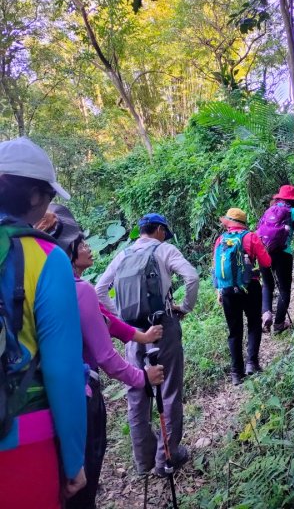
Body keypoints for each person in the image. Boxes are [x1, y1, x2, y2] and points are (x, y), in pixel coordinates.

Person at [37, 205, 165, 509]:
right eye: (81, 243)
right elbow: (106, 357)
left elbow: (106, 319)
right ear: (67, 248)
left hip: (41, 402)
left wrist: (141, 336)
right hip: (81, 398)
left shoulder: (40, 284)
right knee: (83, 487)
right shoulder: (78, 290)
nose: (87, 247)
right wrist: (141, 377)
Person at [0, 137, 87, 509]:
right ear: (35, 196)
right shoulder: (45, 257)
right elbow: (62, 370)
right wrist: (74, 462)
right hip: (21, 436)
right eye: (50, 195)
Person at [96, 213, 199, 478]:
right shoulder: (165, 249)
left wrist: (121, 320)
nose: (165, 235)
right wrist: (184, 307)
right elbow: (191, 277)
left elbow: (99, 289)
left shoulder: (123, 254)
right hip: (162, 326)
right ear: (159, 230)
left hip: (133, 332)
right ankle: (168, 456)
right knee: (169, 389)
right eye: (165, 231)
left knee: (137, 392)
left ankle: (143, 460)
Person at [213, 208, 271, 386]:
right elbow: (267, 262)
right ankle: (252, 363)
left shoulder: (220, 240)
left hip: (227, 290)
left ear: (229, 223)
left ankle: (236, 373)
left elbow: (215, 267)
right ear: (243, 223)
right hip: (250, 286)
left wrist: (218, 290)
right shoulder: (250, 237)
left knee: (234, 331)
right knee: (254, 324)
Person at [259, 185, 294, 334]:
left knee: (267, 285)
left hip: (264, 251)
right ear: (292, 199)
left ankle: (266, 313)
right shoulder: (293, 211)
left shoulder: (268, 211)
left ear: (279, 197)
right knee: (284, 289)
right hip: (283, 253)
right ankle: (278, 324)